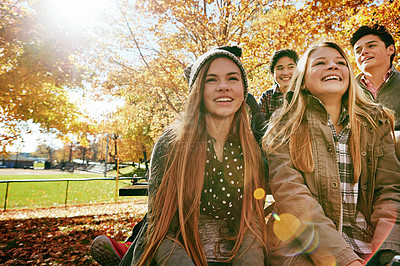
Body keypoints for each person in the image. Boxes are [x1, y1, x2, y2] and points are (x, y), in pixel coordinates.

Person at [94, 46, 266, 266]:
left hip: (233, 254)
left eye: (232, 79)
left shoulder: (249, 147)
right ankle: (127, 252)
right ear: (196, 90)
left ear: (244, 90)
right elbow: (162, 227)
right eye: (211, 80)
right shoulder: (172, 144)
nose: (223, 86)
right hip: (179, 251)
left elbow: (251, 224)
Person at [263, 41, 400, 266]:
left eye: (340, 62)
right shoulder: (285, 126)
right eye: (320, 63)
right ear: (303, 81)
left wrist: (386, 251)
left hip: (369, 244)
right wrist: (345, 260)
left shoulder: (376, 123)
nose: (333, 67)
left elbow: (389, 192)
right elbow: (294, 199)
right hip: (302, 248)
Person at [350, 24, 400, 127]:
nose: (363, 52)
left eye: (371, 45)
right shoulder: (348, 90)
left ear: (390, 50)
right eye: (358, 51)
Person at [258, 49, 298, 123]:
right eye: (280, 68)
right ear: (273, 74)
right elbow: (260, 126)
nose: (285, 73)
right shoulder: (267, 97)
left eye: (291, 67)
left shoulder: (305, 94)